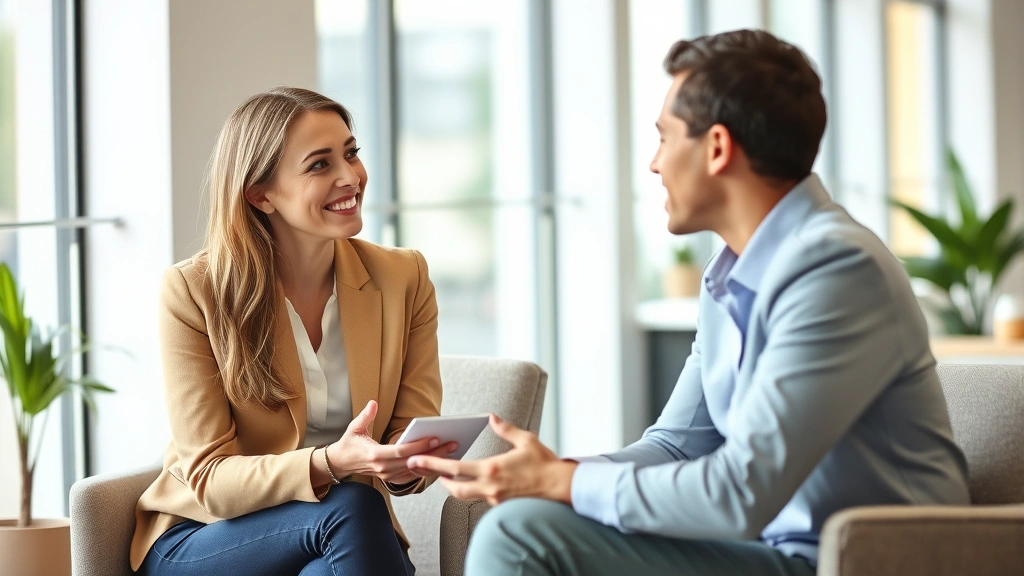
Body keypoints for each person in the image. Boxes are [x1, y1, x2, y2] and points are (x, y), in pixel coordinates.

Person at [408, 29, 971, 576]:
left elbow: (740, 491)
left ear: (718, 147)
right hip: (774, 549)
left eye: (664, 137)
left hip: (867, 559)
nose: (654, 164)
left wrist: (562, 484)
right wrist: (553, 472)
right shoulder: (726, 276)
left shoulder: (837, 271)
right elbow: (678, 446)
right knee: (528, 518)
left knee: (521, 534)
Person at [130, 87, 455, 576]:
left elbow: (409, 429)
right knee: (351, 507)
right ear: (261, 195)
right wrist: (332, 463)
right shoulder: (193, 292)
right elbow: (210, 479)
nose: (351, 177)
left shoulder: (402, 278)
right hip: (206, 537)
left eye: (351, 153)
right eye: (320, 165)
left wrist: (406, 465)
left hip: (340, 535)